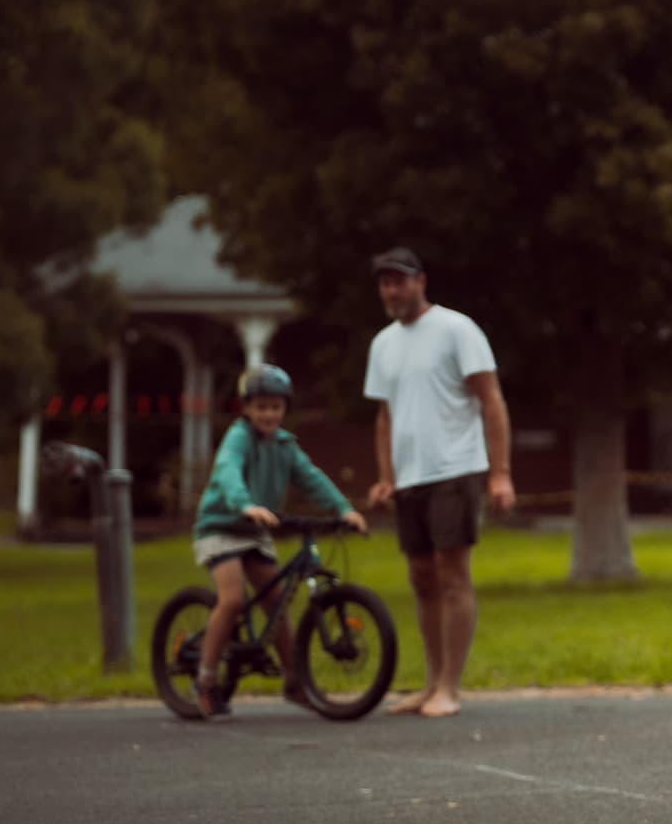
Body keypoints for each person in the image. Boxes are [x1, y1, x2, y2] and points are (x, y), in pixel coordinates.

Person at [363, 247, 516, 719]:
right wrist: (386, 477)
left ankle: (450, 686)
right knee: (421, 578)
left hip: (456, 469)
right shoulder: (383, 343)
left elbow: (491, 400)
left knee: (453, 575)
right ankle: (429, 683)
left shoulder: (456, 328)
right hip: (410, 478)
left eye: (400, 281)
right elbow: (385, 416)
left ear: (420, 281)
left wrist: (500, 473)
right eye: (385, 282)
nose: (392, 290)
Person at [190, 364, 367, 721]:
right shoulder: (239, 437)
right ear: (247, 409)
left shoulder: (286, 446)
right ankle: (206, 680)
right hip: (221, 527)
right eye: (261, 407)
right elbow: (227, 470)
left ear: (284, 409)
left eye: (275, 407)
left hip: (255, 532)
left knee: (277, 600)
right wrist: (245, 504)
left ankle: (294, 681)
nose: (268, 414)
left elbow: (311, 478)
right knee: (233, 598)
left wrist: (344, 509)